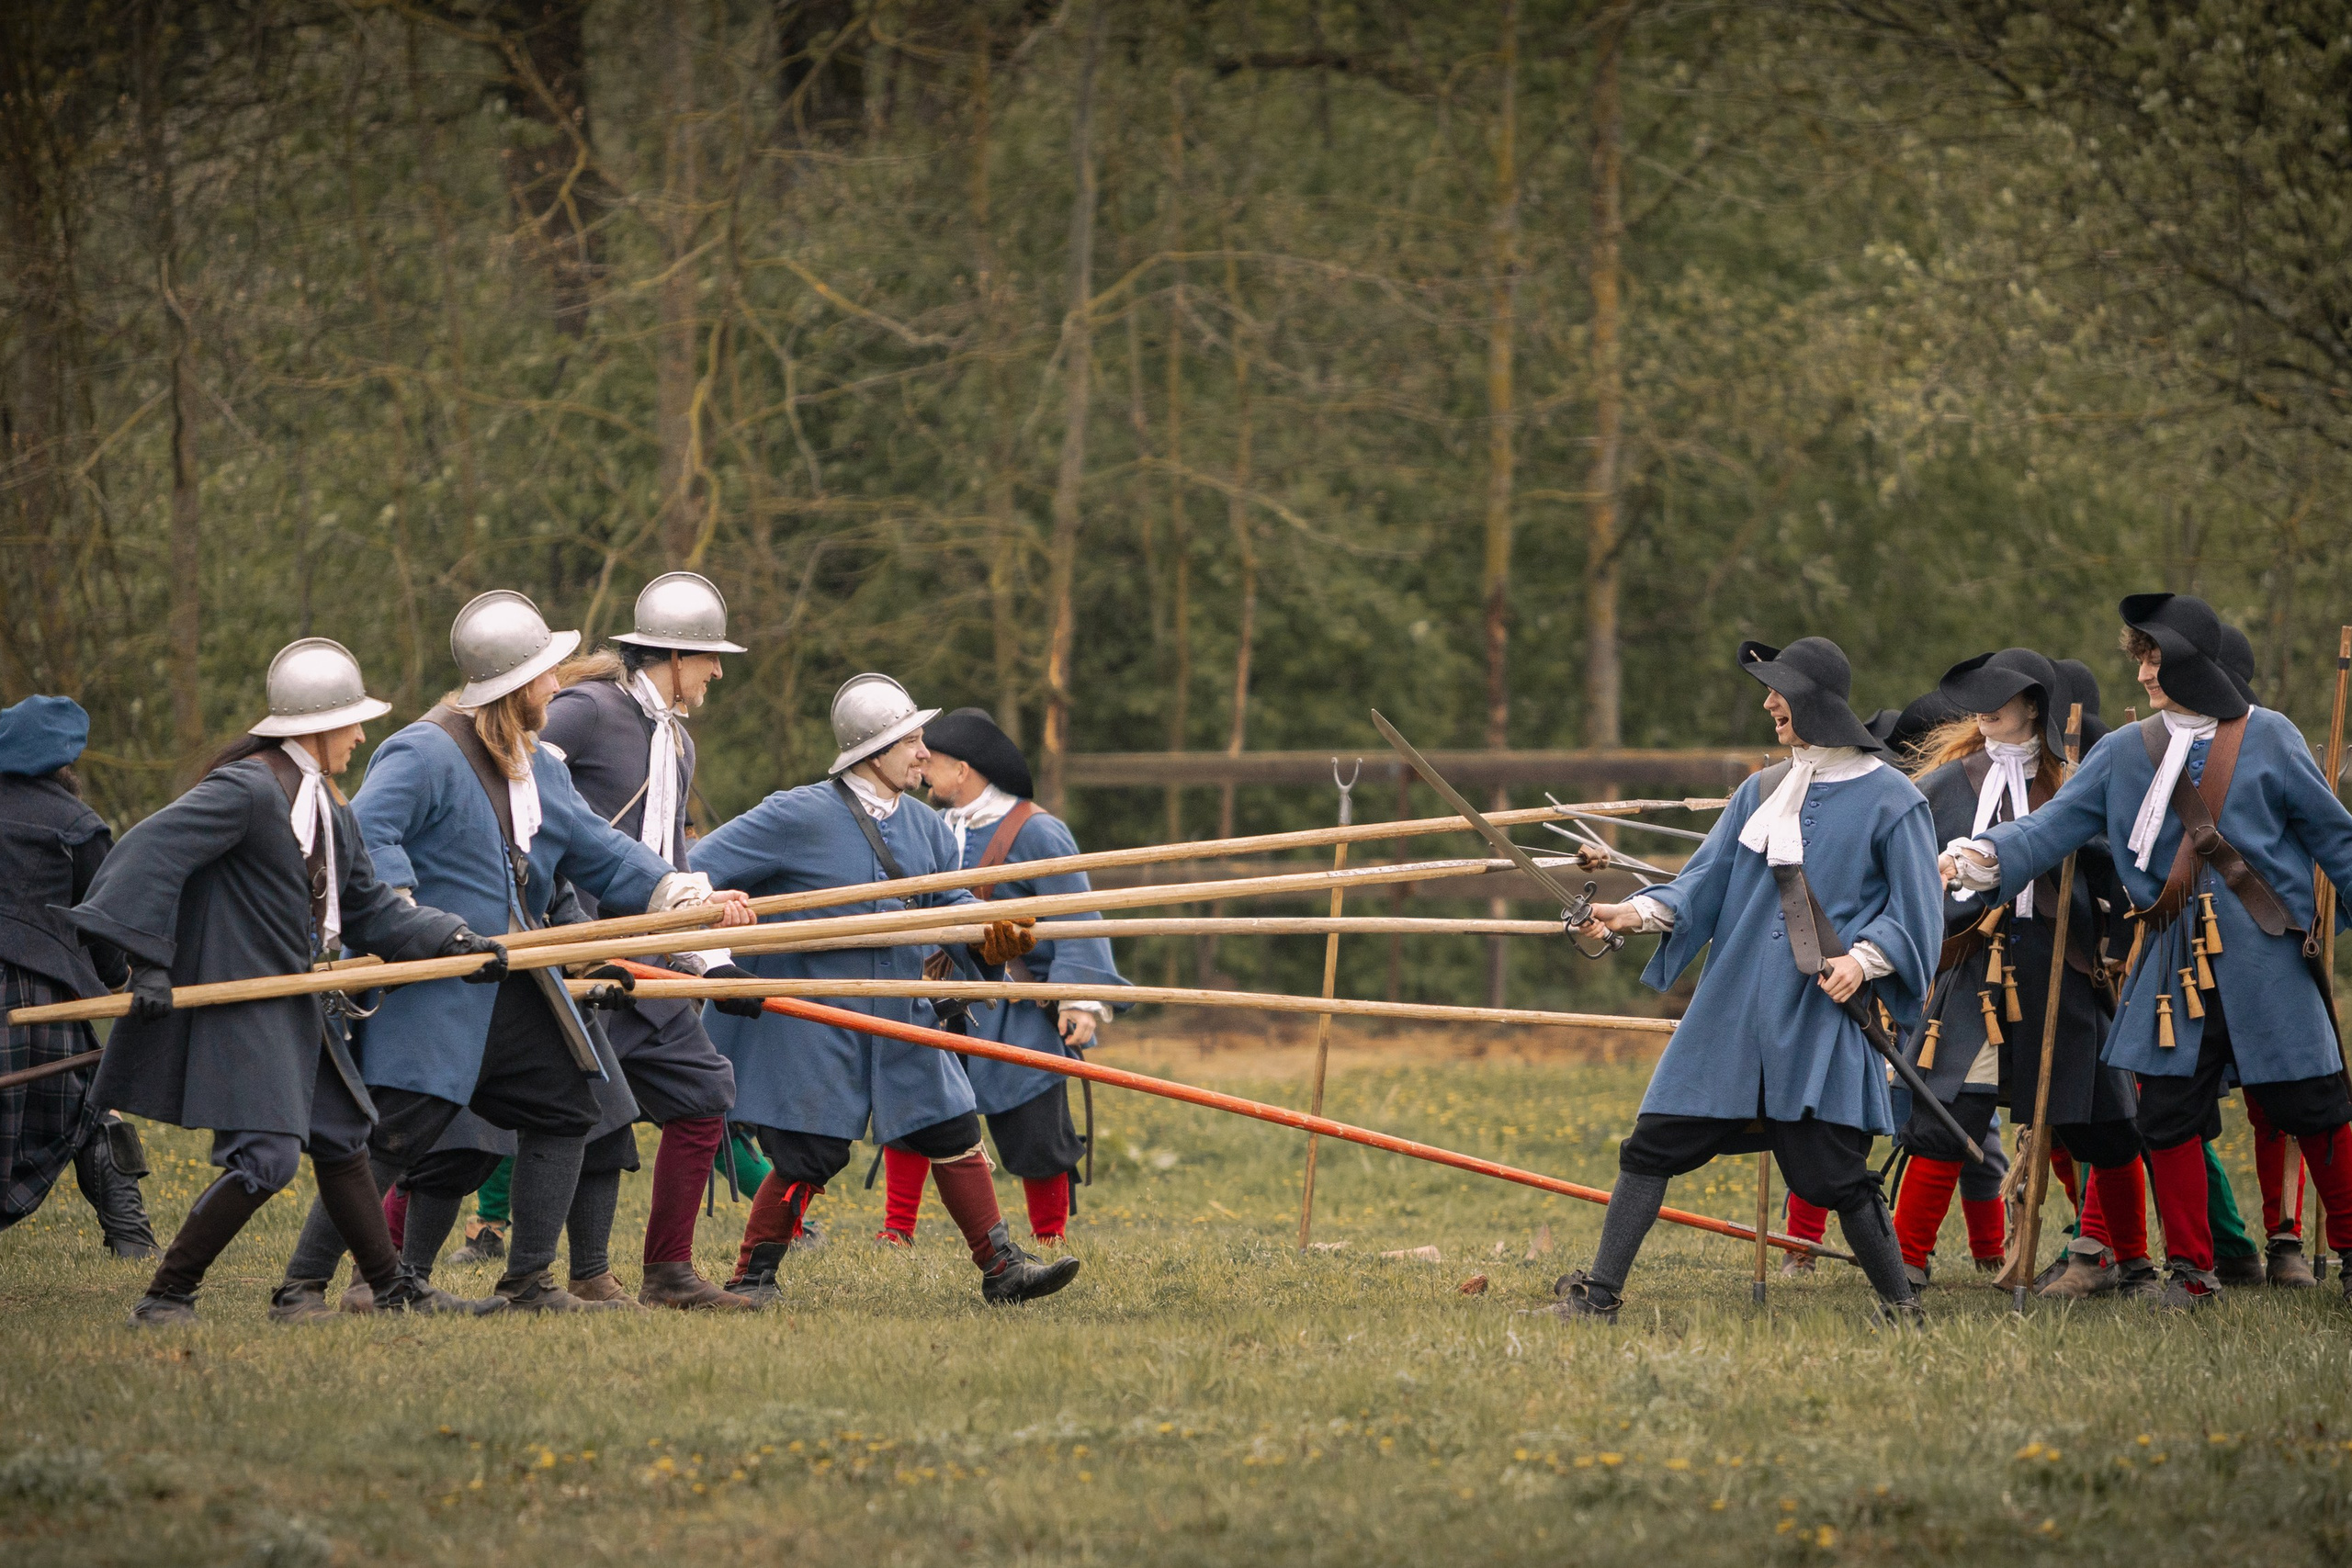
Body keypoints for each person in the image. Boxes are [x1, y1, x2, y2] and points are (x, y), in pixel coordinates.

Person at [272, 592, 754, 1314]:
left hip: (516, 982)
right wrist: (409, 915)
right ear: (514, 683)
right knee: (398, 1136)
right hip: (439, 984)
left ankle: (528, 1281)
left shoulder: (540, 768)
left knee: (567, 1105)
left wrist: (684, 895)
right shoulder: (423, 749)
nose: (558, 686)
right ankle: (302, 1285)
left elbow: (600, 850)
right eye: (546, 675)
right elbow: (367, 833)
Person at [65, 640, 506, 1325]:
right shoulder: (247, 789)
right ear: (317, 725)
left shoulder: (326, 804)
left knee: (342, 1140)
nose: (361, 736)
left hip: (300, 1003)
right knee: (266, 1159)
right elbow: (146, 853)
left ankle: (384, 1290)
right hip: (250, 1005)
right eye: (352, 722)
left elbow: (370, 908)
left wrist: (450, 937)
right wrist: (148, 961)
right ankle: (165, 1296)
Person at [1945, 593, 2352, 1308]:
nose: (2142, 674)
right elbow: (2050, 828)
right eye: (2141, 659)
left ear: (2193, 662)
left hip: (2267, 959)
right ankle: (2192, 1272)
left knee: (2312, 1102)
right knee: (2166, 1114)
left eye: (2156, 659)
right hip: (2169, 967)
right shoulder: (2122, 752)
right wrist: (1983, 855)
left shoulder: (2271, 736)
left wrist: (2329, 921)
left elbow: (2337, 841)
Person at [1556, 637, 1942, 1322]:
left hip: (1816, 1017)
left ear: (1814, 701)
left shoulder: (1894, 801)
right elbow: (1701, 884)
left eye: (1780, 692)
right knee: (1651, 1145)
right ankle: (1600, 1297)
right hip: (1730, 1014)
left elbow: (1918, 912)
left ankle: (1902, 1307)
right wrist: (1631, 912)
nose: (1768, 704)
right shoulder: (1760, 791)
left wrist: (1862, 961)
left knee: (1835, 1178)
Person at [690, 674, 1080, 1306]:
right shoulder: (795, 813)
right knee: (810, 1151)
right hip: (816, 1015)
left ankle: (1002, 1267)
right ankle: (752, 1277)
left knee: (951, 1124)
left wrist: (989, 936)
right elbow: (693, 868)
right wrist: (721, 906)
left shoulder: (926, 826)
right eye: (912, 742)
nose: (925, 754)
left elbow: (947, 903)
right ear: (873, 752)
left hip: (901, 1007)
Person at [527, 570, 761, 1309]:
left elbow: (670, 857)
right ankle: (402, 1268)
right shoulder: (587, 710)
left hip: (648, 961)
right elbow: (514, 786)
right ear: (673, 655)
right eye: (709, 657)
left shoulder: (680, 743)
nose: (717, 671)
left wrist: (712, 960)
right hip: (578, 957)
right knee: (496, 1127)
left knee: (705, 1091)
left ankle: (667, 1271)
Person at [1892, 649, 2152, 1297]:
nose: (1984, 708)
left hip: (2062, 970)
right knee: (1948, 1114)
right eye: (1979, 697)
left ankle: (2135, 1263)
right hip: (1972, 974)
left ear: (2034, 705)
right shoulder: (1944, 786)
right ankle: (1904, 1261)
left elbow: (2120, 874)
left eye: (2000, 696)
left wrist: (2116, 940)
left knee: (2107, 1124)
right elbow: (1902, 872)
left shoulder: (2075, 783)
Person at [874, 707, 1129, 1249]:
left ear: (962, 769)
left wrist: (1078, 999)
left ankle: (1050, 1238)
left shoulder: (1038, 831)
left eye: (933, 760)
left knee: (1036, 1126)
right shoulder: (930, 826)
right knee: (915, 1107)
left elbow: (1077, 914)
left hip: (1016, 1007)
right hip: (940, 998)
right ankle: (896, 1233)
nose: (922, 767)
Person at [0, 695, 155, 1256]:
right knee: (90, 1105)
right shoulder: (75, 822)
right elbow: (103, 915)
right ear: (65, 759)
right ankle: (132, 1239)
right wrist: (115, 974)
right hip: (32, 987)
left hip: (31, 984)